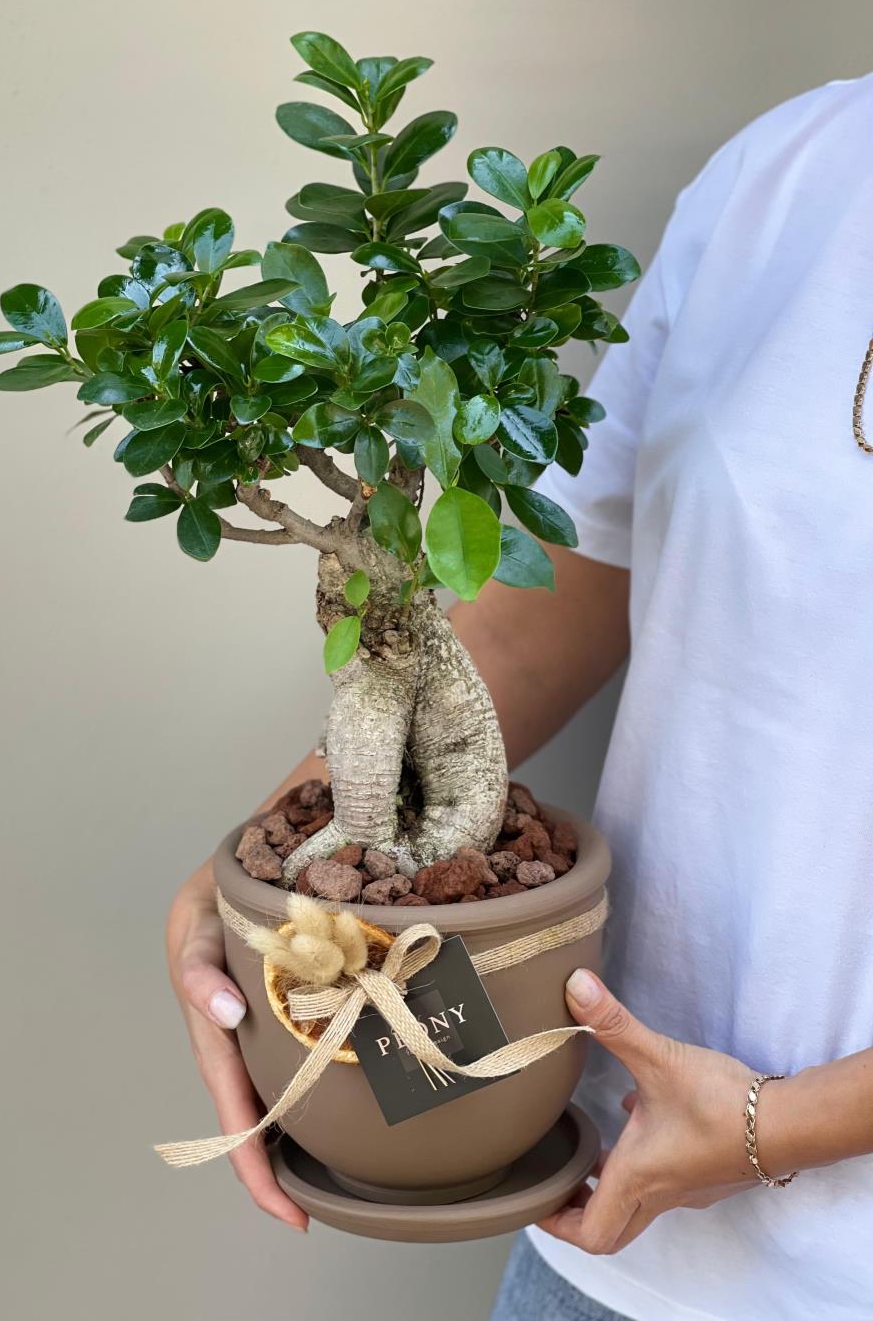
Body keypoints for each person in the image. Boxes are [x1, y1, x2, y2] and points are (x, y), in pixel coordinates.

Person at [166, 72, 873, 1321]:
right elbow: (578, 579)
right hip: (617, 1217)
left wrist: (787, 1124)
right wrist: (284, 859)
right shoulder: (793, 168)